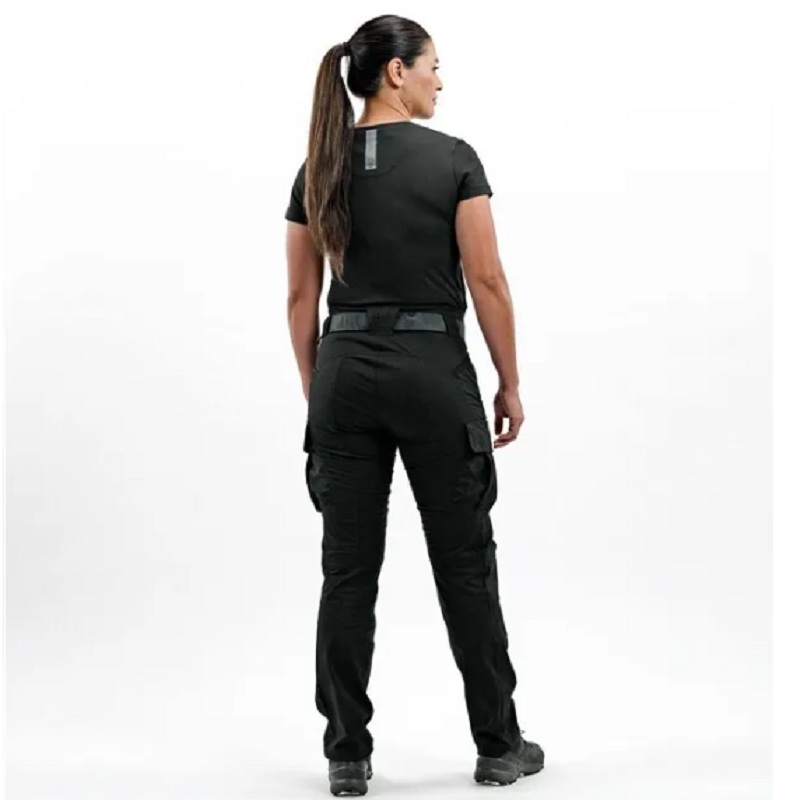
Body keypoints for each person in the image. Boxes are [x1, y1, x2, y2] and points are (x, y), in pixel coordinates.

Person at [284, 13, 545, 797]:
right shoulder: (453, 159)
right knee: (464, 562)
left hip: (344, 371)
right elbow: (487, 279)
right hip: (432, 372)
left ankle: (346, 754)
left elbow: (299, 298)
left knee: (347, 571)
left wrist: (321, 393)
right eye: (433, 64)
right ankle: (498, 745)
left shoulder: (317, 167)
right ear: (396, 72)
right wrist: (509, 380)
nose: (440, 79)